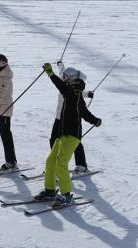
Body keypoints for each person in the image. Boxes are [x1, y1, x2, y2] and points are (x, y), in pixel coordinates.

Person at [35, 63, 102, 205]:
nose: (65, 83)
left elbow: (84, 112)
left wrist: (51, 74)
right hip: (62, 134)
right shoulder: (74, 96)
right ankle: (50, 190)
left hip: (72, 136)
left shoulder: (73, 94)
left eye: (67, 82)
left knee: (61, 163)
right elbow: (85, 113)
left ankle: (66, 195)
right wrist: (95, 120)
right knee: (51, 161)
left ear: (72, 84)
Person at [50, 61, 95, 174]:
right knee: (54, 140)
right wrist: (60, 64)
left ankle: (82, 165)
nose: (63, 78)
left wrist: (88, 93)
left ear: (71, 78)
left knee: (74, 142)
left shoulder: (72, 87)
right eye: (63, 76)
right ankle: (54, 163)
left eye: (65, 77)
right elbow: (61, 72)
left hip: (70, 118)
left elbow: (78, 93)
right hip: (59, 117)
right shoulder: (64, 80)